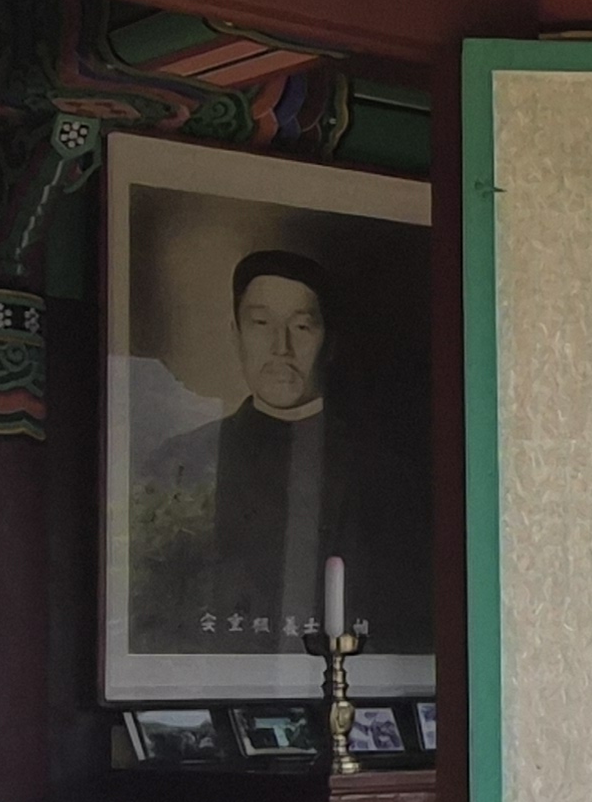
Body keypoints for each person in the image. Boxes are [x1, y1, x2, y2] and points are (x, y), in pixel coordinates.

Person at [152, 248, 428, 648]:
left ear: (330, 342)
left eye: (301, 327)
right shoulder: (181, 462)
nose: (280, 347)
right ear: (236, 334)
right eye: (262, 323)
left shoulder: (386, 474)